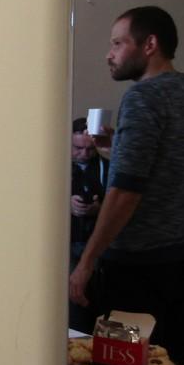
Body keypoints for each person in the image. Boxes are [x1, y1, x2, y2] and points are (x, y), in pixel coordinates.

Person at [69, 6, 184, 365]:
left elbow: (125, 192)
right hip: (176, 255)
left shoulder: (143, 97)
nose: (109, 54)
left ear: (149, 45)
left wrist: (86, 262)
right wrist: (116, 147)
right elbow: (169, 165)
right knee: (165, 363)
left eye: (118, 43)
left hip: (135, 264)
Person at [69, 117, 108, 332]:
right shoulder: (52, 169)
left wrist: (98, 208)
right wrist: (65, 204)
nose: (84, 154)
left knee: (100, 298)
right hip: (66, 243)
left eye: (90, 149)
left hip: (99, 244)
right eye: (78, 148)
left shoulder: (107, 168)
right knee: (72, 299)